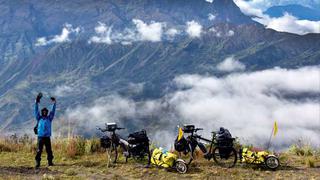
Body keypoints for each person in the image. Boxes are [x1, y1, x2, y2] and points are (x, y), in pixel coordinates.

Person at [34, 93, 56, 168]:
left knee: (49, 150)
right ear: (42, 112)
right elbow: (36, 110)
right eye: (43, 112)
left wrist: (54, 103)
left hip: (47, 137)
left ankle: (50, 162)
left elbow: (53, 112)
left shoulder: (49, 118)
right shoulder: (39, 118)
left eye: (45, 112)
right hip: (40, 137)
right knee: (39, 150)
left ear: (46, 112)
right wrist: (36, 102)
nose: (44, 112)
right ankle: (37, 163)